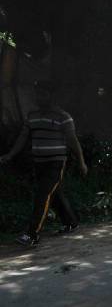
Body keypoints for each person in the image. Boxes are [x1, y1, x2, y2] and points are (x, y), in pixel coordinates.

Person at [0, 80, 88, 245]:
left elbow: (73, 142)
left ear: (52, 96)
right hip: (39, 163)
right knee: (53, 195)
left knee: (43, 195)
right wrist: (10, 155)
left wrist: (82, 163)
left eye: (43, 93)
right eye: (37, 93)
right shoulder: (32, 116)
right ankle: (71, 222)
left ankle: (32, 234)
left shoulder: (63, 117)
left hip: (55, 164)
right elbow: (23, 138)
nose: (39, 97)